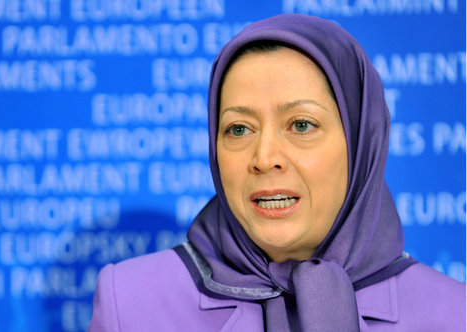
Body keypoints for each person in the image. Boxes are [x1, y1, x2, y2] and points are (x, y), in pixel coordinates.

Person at [88, 14, 465, 331]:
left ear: (361, 143)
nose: (265, 157)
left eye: (301, 125)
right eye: (238, 129)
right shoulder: (131, 302)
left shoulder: (452, 314)